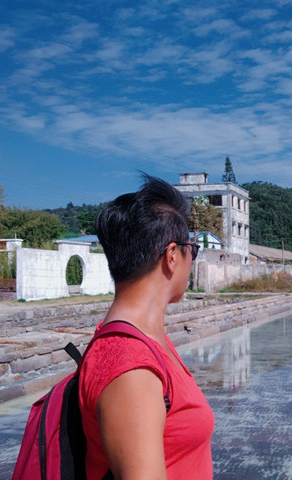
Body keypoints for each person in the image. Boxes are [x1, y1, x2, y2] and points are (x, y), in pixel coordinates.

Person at [78, 173, 214, 479]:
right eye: (192, 249)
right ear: (172, 257)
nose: (192, 258)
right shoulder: (129, 367)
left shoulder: (147, 342)